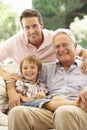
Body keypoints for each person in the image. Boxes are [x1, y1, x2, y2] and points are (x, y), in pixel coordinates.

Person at [8, 29, 87, 130]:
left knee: (63, 111)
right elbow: (15, 77)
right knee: (17, 112)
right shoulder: (46, 69)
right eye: (57, 46)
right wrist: (12, 93)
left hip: (79, 110)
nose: (61, 49)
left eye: (65, 44)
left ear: (74, 46)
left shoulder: (85, 66)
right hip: (49, 112)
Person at [0, 9, 87, 80]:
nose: (32, 31)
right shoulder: (15, 42)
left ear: (41, 25)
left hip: (52, 82)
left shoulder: (55, 38)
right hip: (27, 83)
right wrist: (5, 75)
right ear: (23, 29)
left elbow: (82, 52)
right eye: (27, 27)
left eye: (35, 26)